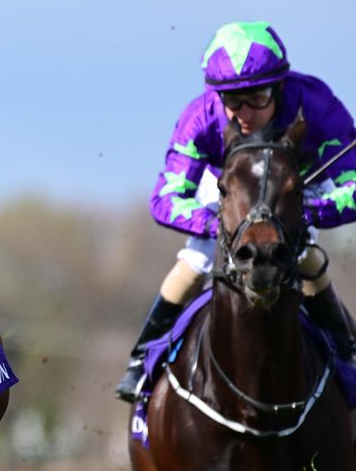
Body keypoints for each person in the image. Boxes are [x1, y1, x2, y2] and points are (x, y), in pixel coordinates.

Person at [115, 21, 356, 403]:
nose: (244, 112)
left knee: (303, 253)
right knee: (198, 259)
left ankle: (347, 354)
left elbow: (352, 183)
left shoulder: (316, 104)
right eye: (233, 100)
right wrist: (221, 224)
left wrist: (308, 214)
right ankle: (141, 358)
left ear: (279, 87)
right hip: (231, 189)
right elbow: (166, 197)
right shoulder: (201, 116)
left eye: (257, 98)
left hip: (292, 188)